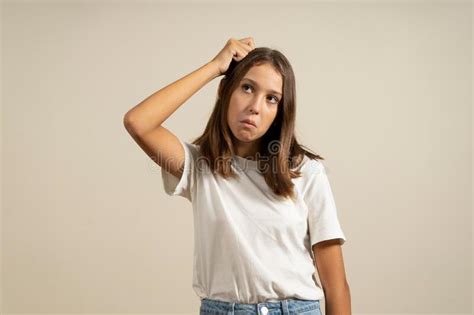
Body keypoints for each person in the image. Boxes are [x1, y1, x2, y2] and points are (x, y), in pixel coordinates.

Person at [123, 37, 351, 315]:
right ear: (225, 91)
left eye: (272, 98)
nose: (255, 106)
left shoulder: (306, 172)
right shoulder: (200, 167)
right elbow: (138, 122)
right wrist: (214, 66)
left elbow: (336, 286)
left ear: (280, 112)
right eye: (246, 88)